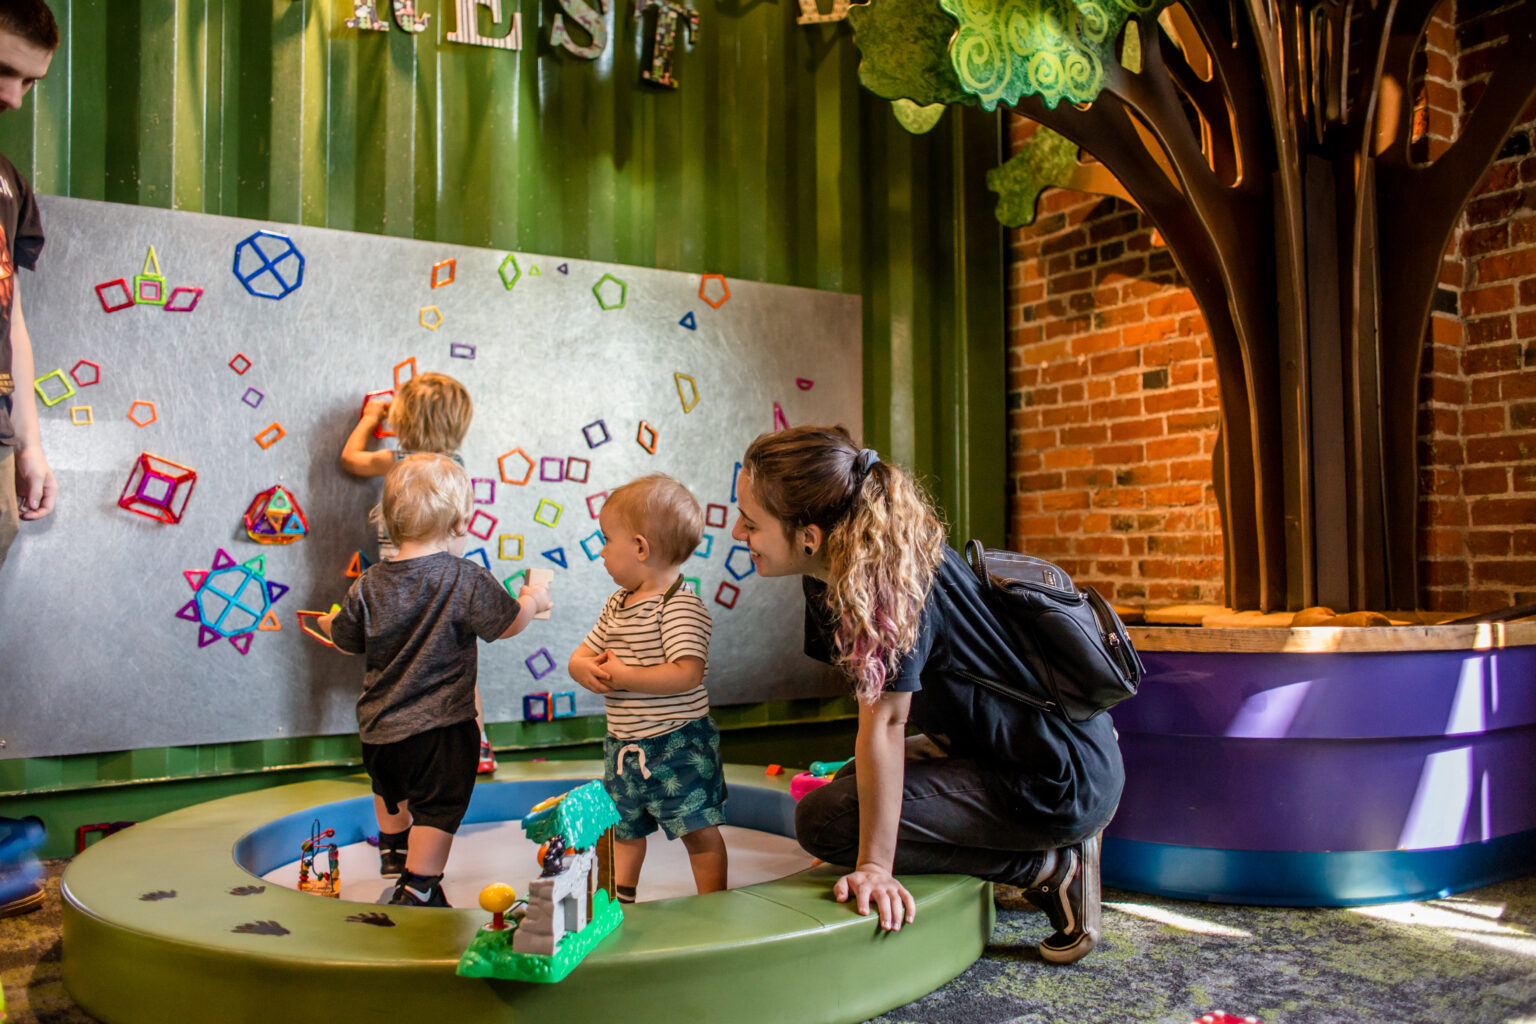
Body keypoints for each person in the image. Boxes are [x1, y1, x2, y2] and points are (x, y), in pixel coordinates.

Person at [732, 425, 1123, 963]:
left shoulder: (881, 582)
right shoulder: (835, 570)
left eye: (751, 523)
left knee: (827, 821)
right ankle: (1031, 847)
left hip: (1057, 775)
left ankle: (1051, 866)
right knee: (853, 784)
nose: (736, 531)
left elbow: (887, 724)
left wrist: (874, 867)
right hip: (1011, 748)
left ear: (809, 536)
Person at [319, 454, 553, 907]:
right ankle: (419, 885)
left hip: (380, 730)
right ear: (460, 523)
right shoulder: (465, 578)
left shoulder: (367, 584)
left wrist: (331, 624)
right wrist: (532, 598)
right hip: (442, 730)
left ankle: (394, 853)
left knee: (390, 790)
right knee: (438, 808)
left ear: (388, 520)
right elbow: (506, 624)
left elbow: (346, 640)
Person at [567, 473, 727, 903]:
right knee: (624, 827)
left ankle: (713, 902)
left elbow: (686, 673)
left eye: (606, 540)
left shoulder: (680, 606)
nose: (601, 552)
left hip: (678, 745)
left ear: (640, 548)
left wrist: (624, 677)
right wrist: (582, 668)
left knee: (697, 829)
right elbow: (582, 653)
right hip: (624, 746)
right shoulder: (617, 605)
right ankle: (621, 896)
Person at [340, 371, 501, 774]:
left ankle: (395, 741)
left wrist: (370, 418)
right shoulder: (456, 468)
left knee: (394, 666)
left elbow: (349, 459)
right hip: (446, 581)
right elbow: (459, 533)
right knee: (458, 667)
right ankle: (479, 747)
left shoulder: (395, 459)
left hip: (397, 586)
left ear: (403, 420)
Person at [0, 0, 58, 577]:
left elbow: (9, 317)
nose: (14, 98)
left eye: (28, 82)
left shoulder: (9, 182)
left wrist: (28, 444)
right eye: (2, 71)